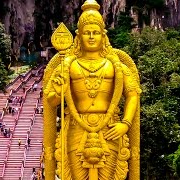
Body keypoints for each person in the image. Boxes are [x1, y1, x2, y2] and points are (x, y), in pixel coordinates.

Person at [43, 0, 141, 179]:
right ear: (78, 35)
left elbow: (133, 94)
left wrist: (125, 124)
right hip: (76, 127)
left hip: (109, 126)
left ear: (103, 35)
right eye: (87, 33)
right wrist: (59, 90)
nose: (91, 37)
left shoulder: (115, 64)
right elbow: (50, 101)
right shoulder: (67, 65)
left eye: (95, 33)